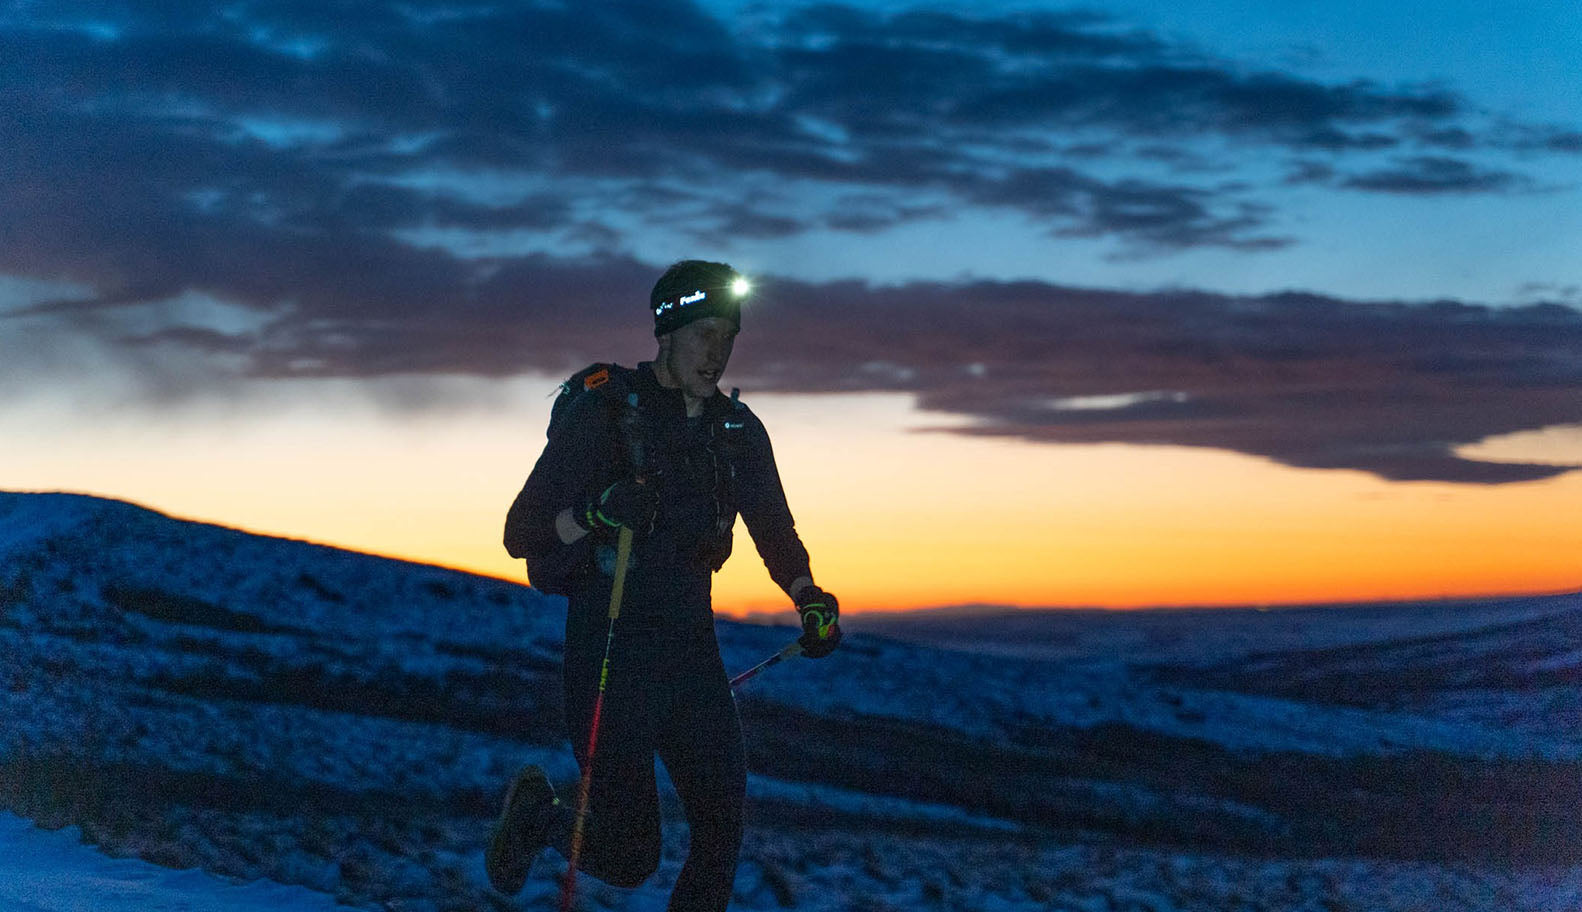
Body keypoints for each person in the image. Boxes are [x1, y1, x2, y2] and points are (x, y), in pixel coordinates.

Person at [489, 259, 842, 911]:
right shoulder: (603, 413)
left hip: (691, 655)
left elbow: (773, 527)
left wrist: (808, 596)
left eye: (728, 335)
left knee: (721, 831)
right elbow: (521, 532)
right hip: (608, 652)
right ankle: (540, 816)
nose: (719, 351)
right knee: (630, 859)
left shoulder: (737, 433)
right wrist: (595, 514)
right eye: (704, 333)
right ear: (667, 333)